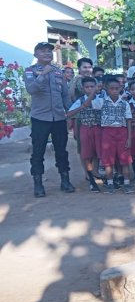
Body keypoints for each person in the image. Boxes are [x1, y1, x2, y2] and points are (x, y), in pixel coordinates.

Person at [25, 42, 75, 197]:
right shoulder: (30, 71)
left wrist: (71, 112)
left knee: (61, 150)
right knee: (38, 151)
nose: (47, 53)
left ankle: (65, 180)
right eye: (43, 51)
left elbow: (65, 95)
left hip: (59, 118)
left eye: (49, 51)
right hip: (40, 118)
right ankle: (38, 183)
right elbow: (31, 89)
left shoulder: (59, 72)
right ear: (36, 54)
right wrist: (44, 74)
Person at [90, 77, 133, 194]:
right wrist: (95, 90)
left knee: (125, 160)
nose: (114, 91)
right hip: (107, 132)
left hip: (122, 132)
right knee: (108, 161)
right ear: (106, 89)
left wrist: (129, 137)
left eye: (116, 88)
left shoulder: (125, 104)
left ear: (120, 88)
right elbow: (88, 103)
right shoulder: (101, 101)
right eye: (111, 89)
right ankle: (110, 184)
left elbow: (128, 120)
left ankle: (127, 183)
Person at [66, 77, 102, 192]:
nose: (90, 89)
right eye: (87, 87)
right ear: (83, 88)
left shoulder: (101, 98)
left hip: (98, 128)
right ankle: (90, 178)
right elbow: (69, 113)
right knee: (86, 154)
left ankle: (95, 172)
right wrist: (81, 108)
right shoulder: (80, 100)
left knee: (97, 153)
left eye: (92, 86)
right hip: (85, 129)